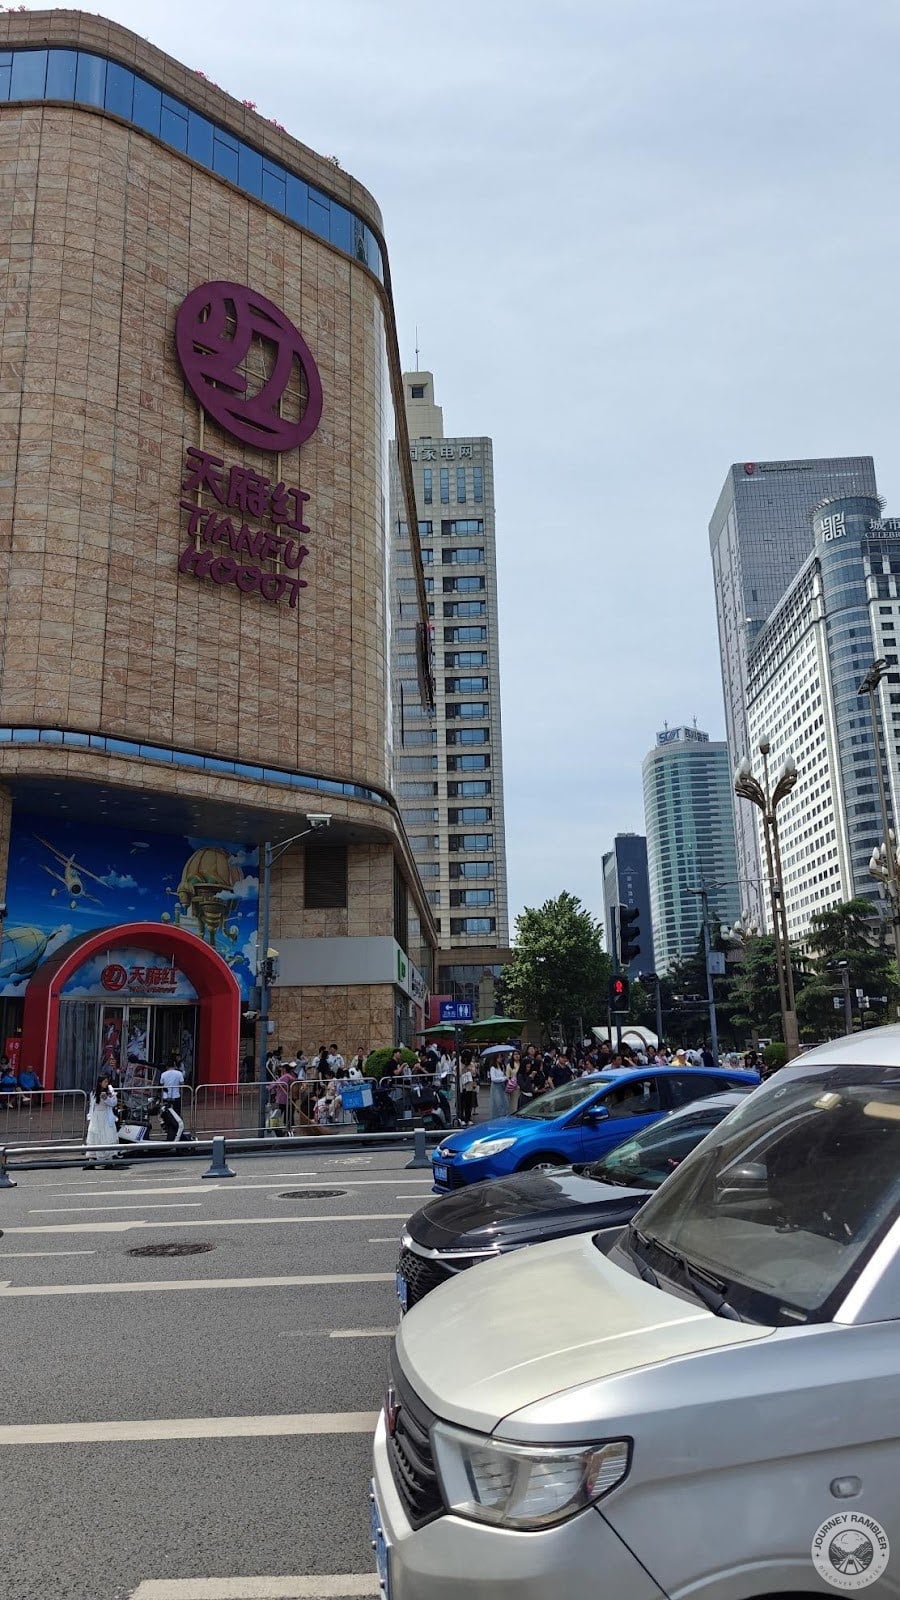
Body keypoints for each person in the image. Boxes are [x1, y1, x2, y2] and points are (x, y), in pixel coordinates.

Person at [85, 1073, 119, 1164]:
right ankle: (91, 1159)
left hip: (105, 1116)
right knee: (95, 1136)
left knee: (107, 1136)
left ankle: (109, 1158)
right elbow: (92, 1106)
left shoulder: (109, 1091)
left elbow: (113, 1103)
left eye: (107, 1082)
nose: (106, 1083)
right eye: (105, 1082)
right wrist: (89, 1118)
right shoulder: (94, 1092)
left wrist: (108, 1097)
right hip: (96, 1116)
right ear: (100, 1083)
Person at [458, 1049, 478, 1126]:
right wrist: (463, 1068)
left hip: (469, 1085)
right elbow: (458, 1072)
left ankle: (468, 1118)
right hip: (462, 1085)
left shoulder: (472, 1064)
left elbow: (474, 1074)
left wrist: (470, 1069)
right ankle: (462, 1118)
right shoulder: (460, 1064)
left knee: (468, 1102)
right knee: (461, 1102)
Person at [488, 1055, 508, 1119]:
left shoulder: (501, 1066)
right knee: (497, 1102)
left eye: (501, 1057)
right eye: (498, 1057)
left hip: (502, 1086)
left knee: (503, 1101)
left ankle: (503, 1116)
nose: (500, 1058)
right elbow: (493, 1078)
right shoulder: (493, 1068)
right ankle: (496, 1117)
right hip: (496, 1086)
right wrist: (503, 1078)